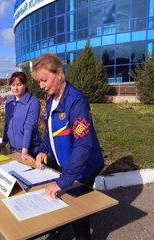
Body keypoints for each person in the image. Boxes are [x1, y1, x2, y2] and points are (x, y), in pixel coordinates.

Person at [31, 53, 104, 240]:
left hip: (84, 167)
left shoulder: (76, 100)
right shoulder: (50, 99)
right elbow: (49, 130)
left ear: (59, 73)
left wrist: (63, 181)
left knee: (78, 212)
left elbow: (83, 145)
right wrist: (42, 150)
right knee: (70, 206)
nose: (42, 86)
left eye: (44, 80)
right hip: (67, 164)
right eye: (39, 81)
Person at [0, 71, 41, 161]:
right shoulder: (9, 101)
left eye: (19, 84)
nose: (15, 88)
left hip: (30, 151)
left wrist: (25, 152)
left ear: (26, 85)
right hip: (13, 149)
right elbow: (7, 123)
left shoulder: (33, 102)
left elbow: (29, 127)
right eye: (13, 85)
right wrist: (4, 142)